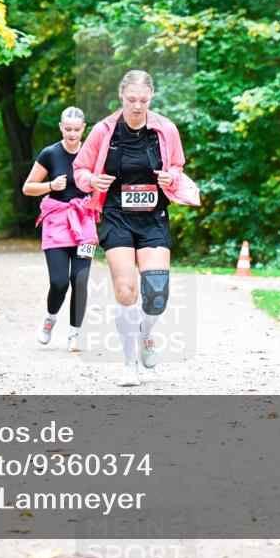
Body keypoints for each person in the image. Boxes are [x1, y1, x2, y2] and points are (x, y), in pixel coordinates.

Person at [73, 70, 200, 386]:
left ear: (151, 97)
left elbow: (177, 165)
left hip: (153, 216)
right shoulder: (104, 130)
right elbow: (81, 169)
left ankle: (145, 334)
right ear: (121, 96)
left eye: (143, 100)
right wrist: (91, 180)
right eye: (132, 99)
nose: (138, 106)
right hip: (117, 214)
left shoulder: (165, 129)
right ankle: (129, 364)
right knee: (126, 289)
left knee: (157, 295)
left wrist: (171, 176)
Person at [23, 107, 98, 353]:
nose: (72, 134)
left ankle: (74, 335)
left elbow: (104, 183)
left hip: (84, 221)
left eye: (77, 129)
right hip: (56, 221)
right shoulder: (50, 154)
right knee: (59, 283)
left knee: (80, 279)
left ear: (84, 128)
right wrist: (50, 185)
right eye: (68, 129)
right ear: (60, 127)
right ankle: (49, 319)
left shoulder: (93, 153)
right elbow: (28, 187)